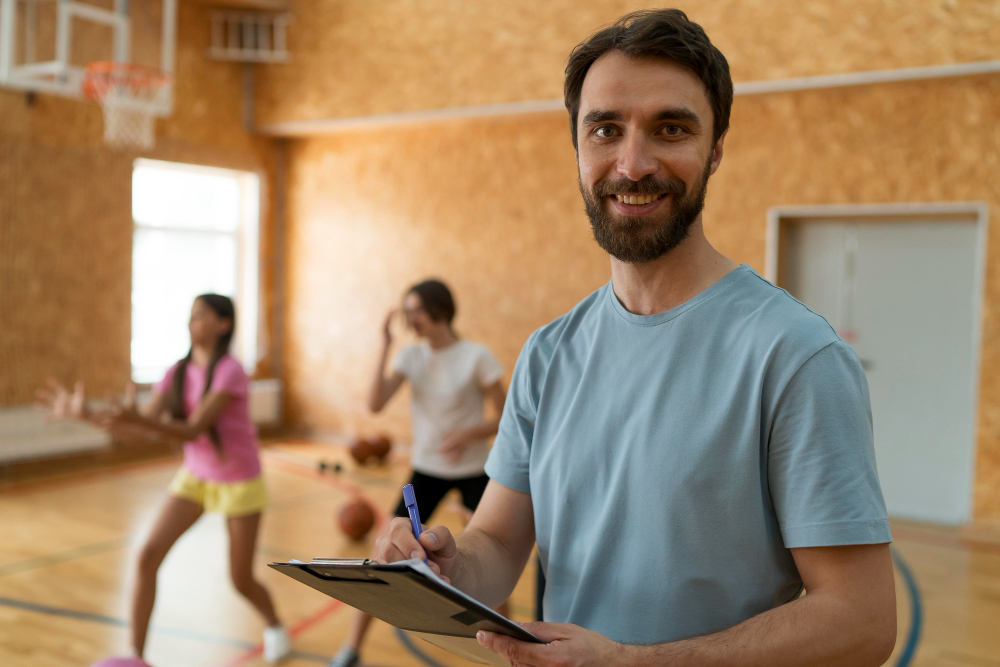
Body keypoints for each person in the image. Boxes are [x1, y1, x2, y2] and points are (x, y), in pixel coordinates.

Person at [373, 9, 897, 667]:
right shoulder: (548, 354)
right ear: (578, 148)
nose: (633, 162)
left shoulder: (794, 355)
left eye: (670, 128)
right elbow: (499, 546)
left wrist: (631, 661)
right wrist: (443, 567)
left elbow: (862, 620)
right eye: (605, 129)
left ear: (715, 148)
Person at [37, 294, 291, 663]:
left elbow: (192, 429)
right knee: (147, 556)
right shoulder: (177, 371)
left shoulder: (229, 371)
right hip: (196, 477)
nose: (192, 323)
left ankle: (275, 626)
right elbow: (136, 434)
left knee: (240, 579)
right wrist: (87, 416)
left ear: (224, 324)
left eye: (201, 316)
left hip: (239, 480)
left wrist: (138, 419)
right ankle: (137, 656)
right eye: (190, 316)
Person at [329, 279, 507, 667]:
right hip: (426, 470)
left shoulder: (476, 356)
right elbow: (375, 404)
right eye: (407, 312)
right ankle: (352, 647)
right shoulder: (410, 357)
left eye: (418, 310)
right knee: (385, 555)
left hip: (475, 469)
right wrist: (384, 345)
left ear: (441, 309)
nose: (412, 319)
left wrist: (468, 433)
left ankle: (506, 649)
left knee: (497, 556)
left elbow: (505, 414)